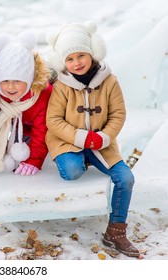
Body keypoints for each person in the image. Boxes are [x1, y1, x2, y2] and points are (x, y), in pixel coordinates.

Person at [45, 21, 139, 257]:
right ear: (63, 63)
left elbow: (118, 114)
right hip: (68, 141)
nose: (76, 63)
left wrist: (105, 137)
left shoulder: (110, 81)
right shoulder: (61, 86)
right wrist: (81, 137)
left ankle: (116, 231)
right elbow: (53, 120)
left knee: (126, 178)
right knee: (72, 172)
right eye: (69, 59)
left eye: (81, 55)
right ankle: (80, 159)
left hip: (101, 144)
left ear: (92, 53)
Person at [0, 31, 52, 175]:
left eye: (16, 81)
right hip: (21, 127)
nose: (10, 87)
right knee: (10, 158)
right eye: (6, 81)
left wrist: (34, 160)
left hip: (46, 129)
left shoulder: (41, 97)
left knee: (28, 154)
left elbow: (42, 132)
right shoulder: (0, 95)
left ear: (28, 79)